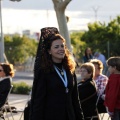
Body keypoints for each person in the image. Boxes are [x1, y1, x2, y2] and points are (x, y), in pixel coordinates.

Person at [30, 27, 84, 120]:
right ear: (49, 51)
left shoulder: (70, 69)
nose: (61, 49)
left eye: (62, 46)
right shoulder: (44, 72)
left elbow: (75, 98)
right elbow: (39, 102)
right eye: (56, 47)